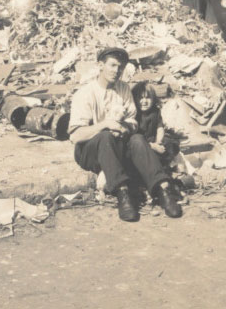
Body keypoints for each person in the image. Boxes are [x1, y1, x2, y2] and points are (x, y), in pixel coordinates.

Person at [69, 47, 182, 223]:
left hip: (118, 146)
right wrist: (105, 125)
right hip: (90, 151)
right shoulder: (85, 94)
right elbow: (76, 136)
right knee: (105, 137)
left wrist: (124, 129)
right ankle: (123, 194)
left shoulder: (123, 89)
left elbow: (133, 121)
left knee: (137, 139)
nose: (116, 71)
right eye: (112, 65)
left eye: (120, 67)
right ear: (100, 65)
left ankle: (162, 189)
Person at [130, 81, 181, 166]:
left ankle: (164, 163)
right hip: (142, 145)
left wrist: (158, 142)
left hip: (154, 140)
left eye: (148, 98)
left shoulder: (155, 111)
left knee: (171, 144)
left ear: (153, 98)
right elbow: (134, 138)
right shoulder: (134, 113)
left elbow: (159, 128)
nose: (144, 101)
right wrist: (153, 146)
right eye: (140, 98)